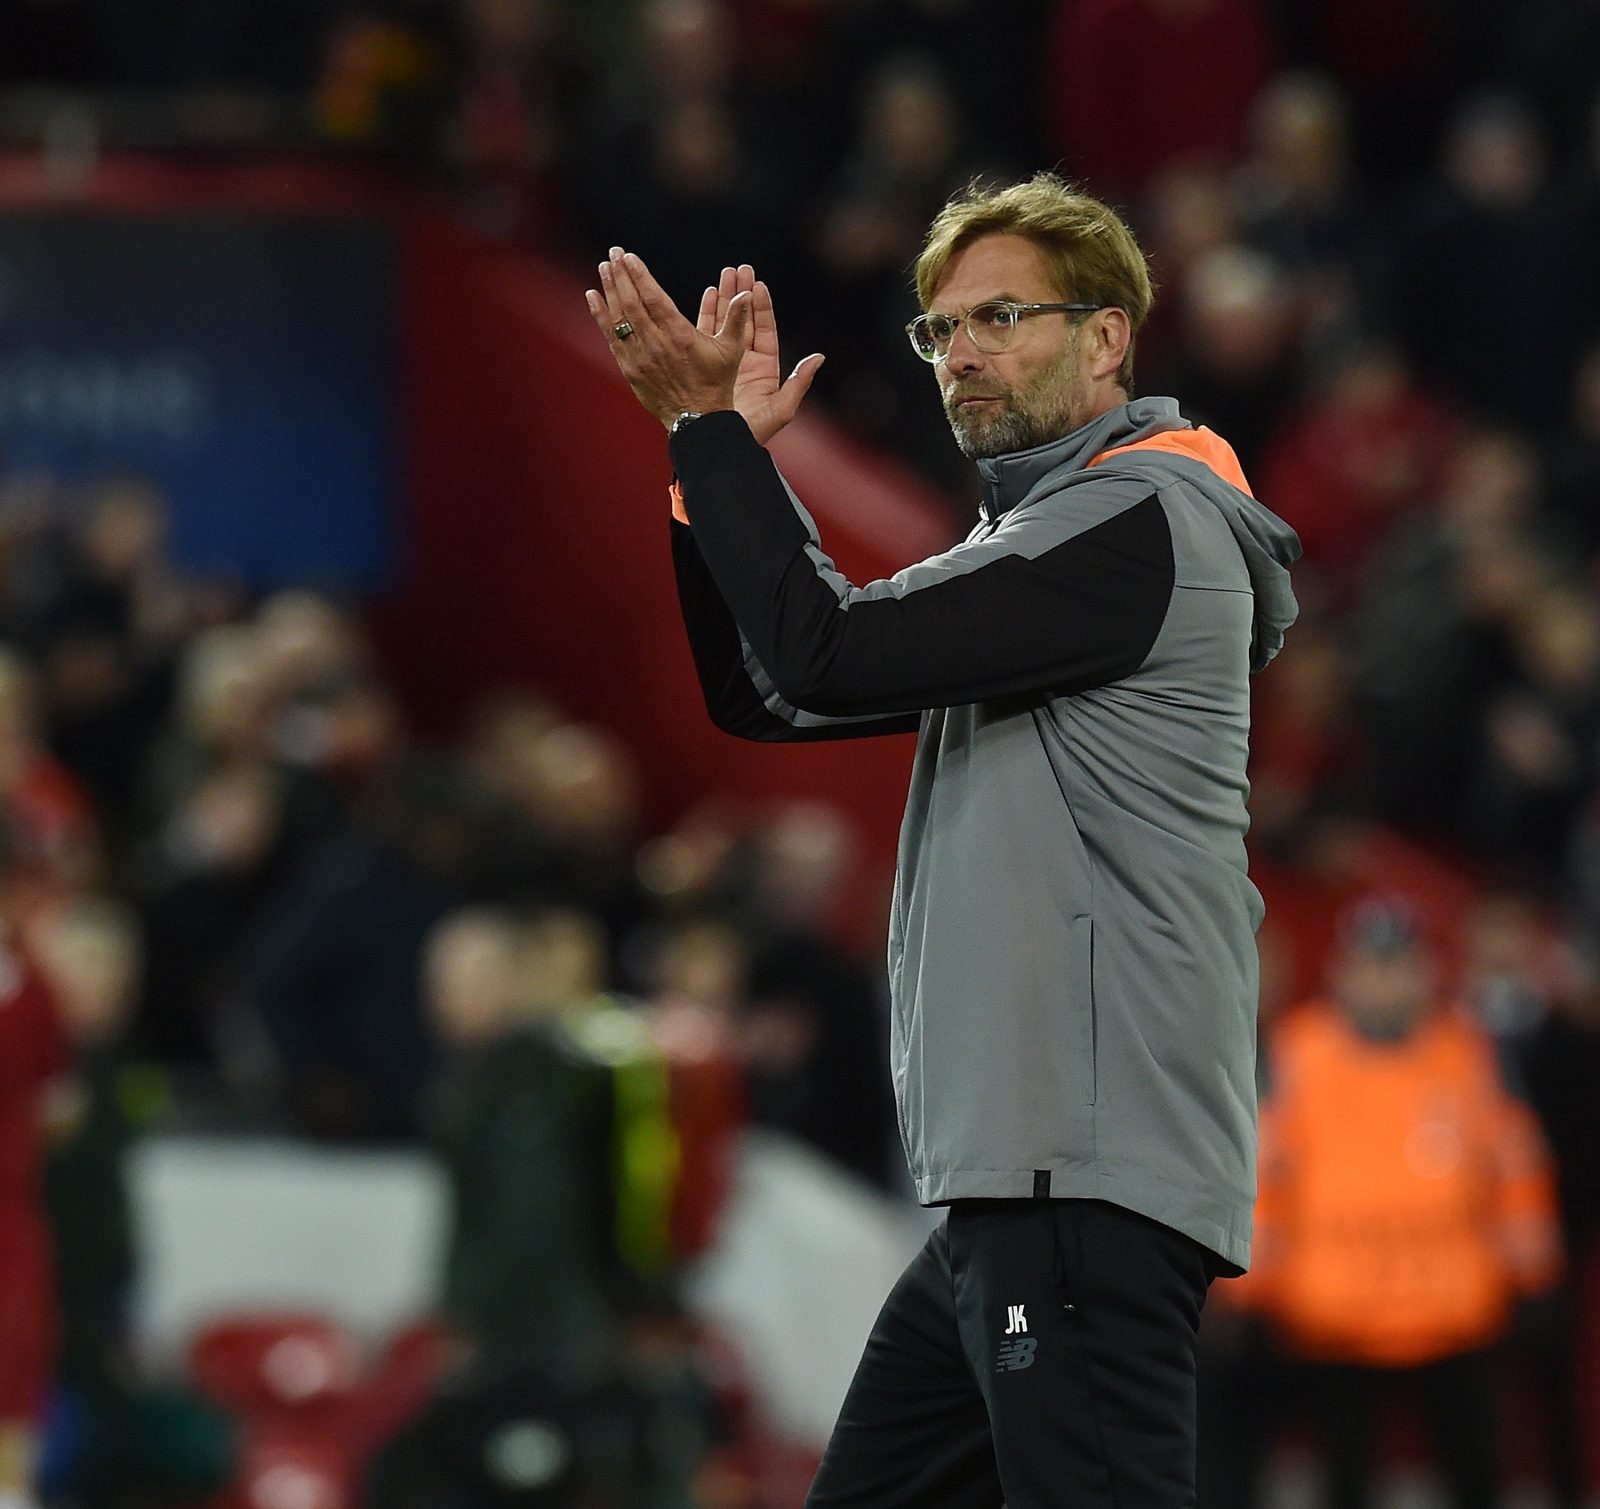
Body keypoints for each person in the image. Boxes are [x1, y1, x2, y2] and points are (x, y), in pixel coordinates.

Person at [585, 171, 1301, 1507]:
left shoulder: (1136, 518)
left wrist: (710, 433)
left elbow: (827, 649)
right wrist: (710, 469)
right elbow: (771, 688)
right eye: (940, 328)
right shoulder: (1047, 537)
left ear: (1107, 338)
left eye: (1002, 316)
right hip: (1019, 1184)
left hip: (1081, 1172)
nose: (962, 351)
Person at [1216, 897, 1563, 1509]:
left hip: (1453, 1310)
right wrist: (1247, 1291)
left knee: (1479, 1474)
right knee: (1343, 1481)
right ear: (1341, 969)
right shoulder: (1296, 1054)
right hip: (1334, 1314)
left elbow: (1517, 1174)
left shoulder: (1471, 1054)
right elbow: (1263, 1179)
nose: (1385, 979)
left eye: (1400, 963)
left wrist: (1534, 1275)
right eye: (1371, 963)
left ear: (1428, 971)